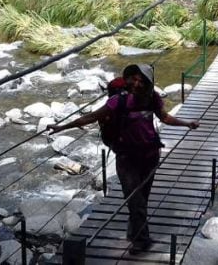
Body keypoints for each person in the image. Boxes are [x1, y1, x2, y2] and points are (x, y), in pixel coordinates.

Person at [48, 64, 199, 252]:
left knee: (141, 198)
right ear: (127, 79)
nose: (136, 83)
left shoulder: (152, 98)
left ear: (148, 83)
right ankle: (141, 241)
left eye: (141, 80)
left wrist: (187, 124)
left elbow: (165, 118)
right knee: (136, 199)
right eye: (133, 78)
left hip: (150, 155)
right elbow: (90, 117)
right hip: (127, 158)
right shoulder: (117, 102)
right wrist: (61, 127)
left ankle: (134, 230)